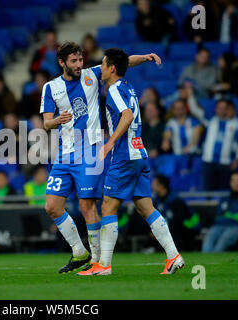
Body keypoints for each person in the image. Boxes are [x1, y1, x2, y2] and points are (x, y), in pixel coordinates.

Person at [40, 41, 162, 273]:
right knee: (52, 206)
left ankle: (97, 260)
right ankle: (79, 251)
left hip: (90, 150)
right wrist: (58, 120)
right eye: (73, 61)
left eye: (80, 60)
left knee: (87, 205)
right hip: (64, 154)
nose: (79, 65)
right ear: (61, 62)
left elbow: (122, 62)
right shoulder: (50, 87)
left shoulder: (92, 76)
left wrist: (145, 56)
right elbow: (46, 122)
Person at [79, 48, 183, 276]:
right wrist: (145, 58)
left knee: (108, 205)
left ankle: (104, 264)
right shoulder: (127, 86)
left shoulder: (114, 90)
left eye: (104, 64)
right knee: (145, 206)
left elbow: (126, 116)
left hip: (124, 155)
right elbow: (125, 62)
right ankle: (173, 255)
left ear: (112, 68)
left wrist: (109, 143)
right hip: (139, 152)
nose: (101, 67)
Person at [202, 171, 238, 252]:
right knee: (208, 238)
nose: (235, 183)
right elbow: (217, 215)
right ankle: (205, 263)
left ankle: (215, 262)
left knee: (223, 240)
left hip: (236, 227)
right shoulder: (224, 199)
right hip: (219, 225)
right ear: (230, 182)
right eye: (233, 180)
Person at [202, 99, 238, 191]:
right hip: (208, 160)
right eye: (219, 108)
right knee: (208, 189)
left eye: (224, 108)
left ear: (228, 109)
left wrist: (237, 160)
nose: (222, 110)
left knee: (223, 190)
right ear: (216, 109)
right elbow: (197, 111)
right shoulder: (211, 121)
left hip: (225, 162)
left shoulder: (237, 125)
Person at [151, 175, 200, 251]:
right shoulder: (157, 201)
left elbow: (179, 222)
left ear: (162, 186)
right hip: (170, 230)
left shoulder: (175, 200)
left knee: (173, 231)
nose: (152, 186)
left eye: (154, 184)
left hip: (186, 228)